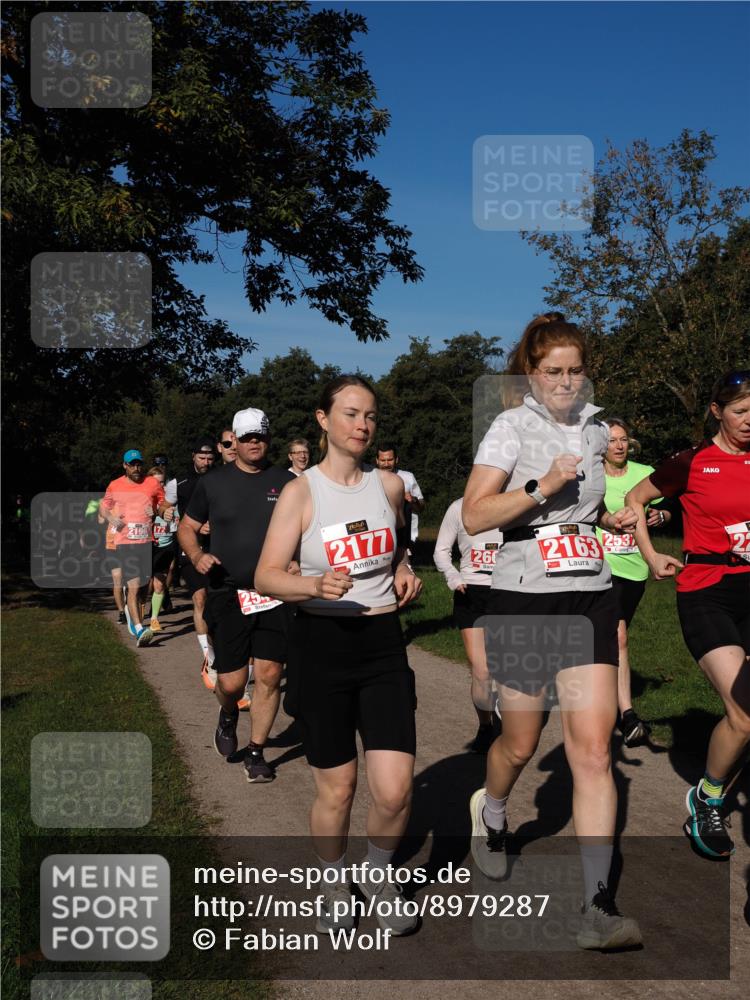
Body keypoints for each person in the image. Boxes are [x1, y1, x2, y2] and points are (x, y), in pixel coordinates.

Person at [462, 312, 642, 950]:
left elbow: (586, 511)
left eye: (574, 370)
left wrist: (609, 524)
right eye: (551, 372)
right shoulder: (510, 427)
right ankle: (493, 809)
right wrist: (543, 485)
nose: (565, 383)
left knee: (593, 754)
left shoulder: (598, 427)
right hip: (525, 598)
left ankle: (599, 907)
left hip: (591, 592)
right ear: (530, 373)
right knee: (519, 740)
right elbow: (477, 513)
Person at [255, 375, 422, 937]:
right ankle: (332, 879)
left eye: (371, 416)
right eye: (350, 414)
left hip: (382, 644)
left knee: (396, 787)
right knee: (339, 787)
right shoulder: (302, 493)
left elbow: (396, 546)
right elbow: (266, 574)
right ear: (323, 420)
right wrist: (313, 586)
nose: (363, 426)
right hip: (322, 645)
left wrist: (403, 569)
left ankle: (378, 876)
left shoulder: (391, 485)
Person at [626, 370, 750, 859]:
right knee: (743, 713)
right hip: (707, 591)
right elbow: (636, 499)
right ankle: (709, 795)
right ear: (717, 411)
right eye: (741, 412)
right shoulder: (692, 462)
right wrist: (651, 555)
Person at [177, 408, 294, 782]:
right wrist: (197, 555)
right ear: (234, 442)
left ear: (268, 438)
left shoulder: (288, 482)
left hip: (274, 592)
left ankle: (257, 752)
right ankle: (228, 714)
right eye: (246, 438)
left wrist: (298, 563)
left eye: (260, 435)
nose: (254, 442)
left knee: (270, 673)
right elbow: (187, 528)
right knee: (230, 682)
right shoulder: (212, 483)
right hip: (227, 591)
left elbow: (309, 528)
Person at [598, 417, 671, 746]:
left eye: (624, 439)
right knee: (619, 635)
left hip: (635, 568)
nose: (619, 445)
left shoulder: (644, 473)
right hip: (600, 566)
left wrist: (661, 515)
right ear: (602, 445)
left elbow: (670, 508)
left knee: (612, 637)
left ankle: (593, 688)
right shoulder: (592, 474)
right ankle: (627, 715)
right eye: (612, 440)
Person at [433, 497, 503, 753]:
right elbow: (441, 551)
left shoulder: (512, 503)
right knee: (482, 670)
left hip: (507, 591)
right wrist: (453, 576)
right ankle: (485, 726)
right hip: (470, 592)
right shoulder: (458, 508)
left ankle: (509, 722)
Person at [100, 449, 173, 647]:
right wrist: (111, 518)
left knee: (142, 588)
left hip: (146, 542)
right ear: (124, 465)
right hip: (125, 542)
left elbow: (163, 504)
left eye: (138, 464)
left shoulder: (152, 483)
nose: (136, 468)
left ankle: (134, 616)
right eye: (131, 464)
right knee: (133, 586)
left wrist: (161, 511)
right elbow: (103, 507)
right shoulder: (115, 485)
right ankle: (141, 629)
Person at [176, 439, 217, 687]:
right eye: (202, 458)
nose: (206, 462)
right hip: (190, 549)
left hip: (216, 549)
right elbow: (164, 504)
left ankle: (219, 649)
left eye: (210, 458)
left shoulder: (221, 479)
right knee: (200, 597)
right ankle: (209, 658)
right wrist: (164, 512)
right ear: (193, 457)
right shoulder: (178, 482)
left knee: (215, 602)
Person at [147, 466, 178, 633]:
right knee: (145, 586)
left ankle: (154, 619)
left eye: (162, 482)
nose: (160, 485)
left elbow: (178, 522)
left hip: (165, 547)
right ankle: (135, 617)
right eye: (156, 482)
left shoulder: (171, 500)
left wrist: (174, 518)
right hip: (146, 547)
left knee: (159, 584)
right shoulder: (143, 499)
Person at [375, 444, 425, 547]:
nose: (386, 464)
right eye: (383, 460)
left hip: (407, 536)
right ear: (377, 460)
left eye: (390, 460)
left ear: (396, 459)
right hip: (381, 537)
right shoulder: (371, 479)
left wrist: (413, 500)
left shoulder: (408, 477)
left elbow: (421, 507)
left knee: (405, 563)